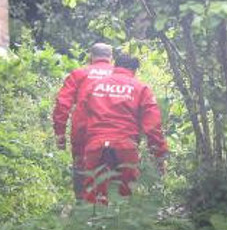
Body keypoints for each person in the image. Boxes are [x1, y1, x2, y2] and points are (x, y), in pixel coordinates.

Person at [78, 53, 168, 204]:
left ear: (115, 65)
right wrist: (159, 155)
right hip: (126, 147)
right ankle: (121, 222)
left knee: (92, 198)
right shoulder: (141, 88)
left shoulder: (93, 86)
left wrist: (78, 151)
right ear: (134, 70)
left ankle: (93, 224)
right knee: (125, 198)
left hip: (95, 146)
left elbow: (80, 121)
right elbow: (153, 127)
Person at [52, 43, 115, 198]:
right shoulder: (121, 76)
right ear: (111, 58)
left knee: (82, 171)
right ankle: (109, 211)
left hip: (83, 133)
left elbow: (63, 104)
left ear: (90, 57)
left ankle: (82, 208)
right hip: (114, 133)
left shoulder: (79, 74)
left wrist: (60, 133)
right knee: (112, 172)